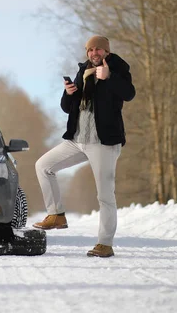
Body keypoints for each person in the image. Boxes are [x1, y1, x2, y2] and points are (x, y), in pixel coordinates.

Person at [33, 35, 135, 258]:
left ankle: (105, 244)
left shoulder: (118, 68)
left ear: (106, 51)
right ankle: (56, 214)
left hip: (103, 142)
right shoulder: (84, 71)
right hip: (77, 139)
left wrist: (110, 78)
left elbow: (129, 94)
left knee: (105, 195)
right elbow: (69, 108)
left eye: (98, 49)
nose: (94, 53)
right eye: (90, 50)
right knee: (43, 166)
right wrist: (68, 93)